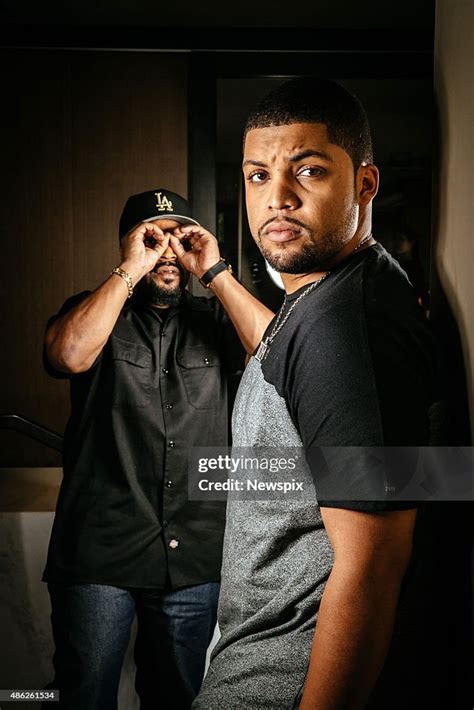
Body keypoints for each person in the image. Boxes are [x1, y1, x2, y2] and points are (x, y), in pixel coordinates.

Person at [165, 79, 439, 709]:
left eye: (308, 171)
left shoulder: (348, 332)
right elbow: (284, 362)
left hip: (283, 680)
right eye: (257, 176)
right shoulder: (326, 302)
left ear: (365, 184)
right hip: (260, 658)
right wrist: (215, 273)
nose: (277, 199)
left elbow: (372, 567)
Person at [42, 188, 243, 710]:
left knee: (177, 698)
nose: (168, 250)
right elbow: (68, 355)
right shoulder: (92, 312)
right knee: (82, 694)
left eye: (179, 236)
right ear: (129, 244)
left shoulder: (217, 322)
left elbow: (279, 352)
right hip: (99, 551)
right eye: (155, 237)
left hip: (194, 555)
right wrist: (131, 267)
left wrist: (215, 270)